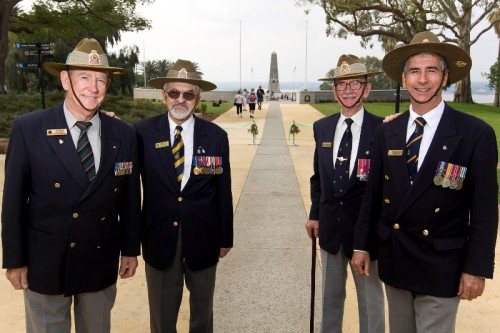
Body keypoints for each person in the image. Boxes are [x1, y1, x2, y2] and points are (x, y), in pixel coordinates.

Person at [352, 31, 499, 333]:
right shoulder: (386, 133)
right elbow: (374, 196)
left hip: (442, 267)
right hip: (396, 261)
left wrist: (476, 269)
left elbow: (484, 211)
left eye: (431, 70)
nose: (422, 79)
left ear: (445, 78)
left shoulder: (475, 134)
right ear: (404, 79)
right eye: (414, 71)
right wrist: (362, 246)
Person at [1, 38, 141, 332]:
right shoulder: (29, 129)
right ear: (65, 80)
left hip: (99, 257)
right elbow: (12, 201)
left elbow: (129, 200)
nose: (93, 87)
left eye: (101, 80)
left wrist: (130, 250)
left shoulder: (123, 135)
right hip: (45, 260)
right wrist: (14, 259)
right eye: (85, 77)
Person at [134, 59, 234, 333]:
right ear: (164, 95)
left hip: (204, 239)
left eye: (188, 94)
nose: (181, 99)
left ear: (197, 98)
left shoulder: (216, 136)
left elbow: (222, 191)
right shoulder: (141, 133)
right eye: (174, 93)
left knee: (202, 316)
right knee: (163, 318)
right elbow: (130, 191)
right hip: (158, 239)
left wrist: (226, 238)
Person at [305, 54, 385, 333]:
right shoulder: (322, 128)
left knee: (370, 301)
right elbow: (319, 177)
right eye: (341, 85)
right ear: (334, 91)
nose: (348, 90)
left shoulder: (384, 129)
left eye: (355, 83)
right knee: (330, 299)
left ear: (367, 88)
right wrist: (315, 214)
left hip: (366, 234)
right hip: (329, 230)